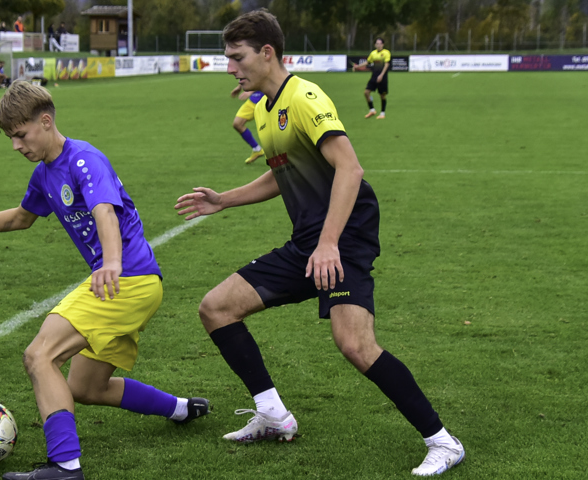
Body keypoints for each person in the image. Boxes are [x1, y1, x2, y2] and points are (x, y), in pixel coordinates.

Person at [174, 10, 465, 477]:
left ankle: (443, 442)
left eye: (236, 57)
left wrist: (329, 244)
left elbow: (350, 169)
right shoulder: (266, 108)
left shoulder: (304, 97)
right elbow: (281, 172)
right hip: (309, 241)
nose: (230, 68)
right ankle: (273, 415)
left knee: (354, 344)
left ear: (266, 53)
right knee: (216, 308)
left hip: (342, 237)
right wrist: (223, 201)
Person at [0, 81, 210, 480]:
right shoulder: (44, 175)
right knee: (85, 389)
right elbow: (21, 218)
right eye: (10, 138)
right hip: (132, 284)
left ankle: (64, 466)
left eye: (20, 135)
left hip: (126, 278)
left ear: (45, 121)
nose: (16, 146)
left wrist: (110, 263)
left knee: (39, 356)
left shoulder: (83, 159)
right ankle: (181, 408)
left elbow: (105, 213)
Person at [229, 85, 265, 164]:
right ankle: (257, 149)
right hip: (254, 99)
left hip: (268, 99)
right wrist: (240, 86)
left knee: (275, 129)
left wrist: (251, 90)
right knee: (237, 123)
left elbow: (266, 75)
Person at [357, 37, 391, 120]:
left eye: (380, 43)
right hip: (374, 76)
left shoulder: (386, 53)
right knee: (366, 92)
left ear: (383, 44)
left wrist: (382, 75)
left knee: (382, 95)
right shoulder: (373, 53)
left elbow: (387, 64)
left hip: (382, 77)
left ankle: (382, 113)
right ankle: (372, 110)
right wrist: (358, 66)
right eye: (377, 43)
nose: (378, 45)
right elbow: (368, 62)